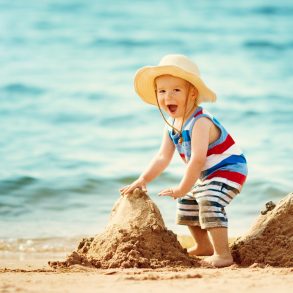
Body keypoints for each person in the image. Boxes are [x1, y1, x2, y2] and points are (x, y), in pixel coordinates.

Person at [120, 54, 248, 267]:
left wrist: (181, 186)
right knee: (187, 201)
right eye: (162, 91)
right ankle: (203, 245)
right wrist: (143, 179)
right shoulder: (171, 125)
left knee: (208, 199)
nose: (168, 96)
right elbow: (162, 157)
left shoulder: (201, 121)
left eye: (176, 90)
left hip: (229, 169)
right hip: (209, 173)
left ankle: (223, 254)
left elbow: (197, 160)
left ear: (192, 93)